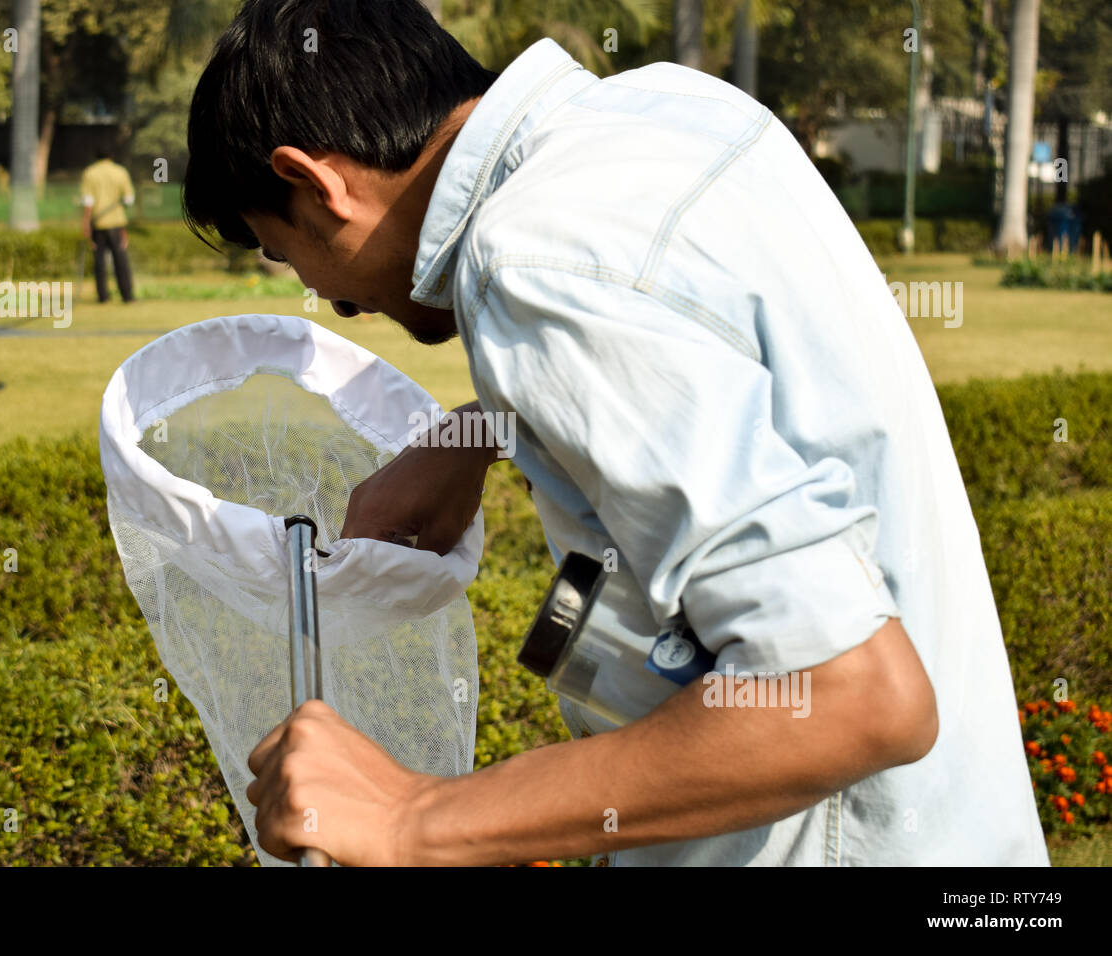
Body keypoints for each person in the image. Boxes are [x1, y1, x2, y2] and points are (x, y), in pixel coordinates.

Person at [181, 0, 1050, 867]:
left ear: (317, 180)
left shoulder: (532, 259)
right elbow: (698, 346)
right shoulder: (674, 112)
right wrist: (485, 427)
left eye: (285, 252)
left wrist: (414, 818)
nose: (332, 297)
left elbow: (850, 694)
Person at [81, 149, 136, 303]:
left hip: (98, 224)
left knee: (99, 261)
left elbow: (87, 202)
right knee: (121, 260)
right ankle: (127, 295)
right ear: (111, 156)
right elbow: (129, 199)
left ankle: (103, 296)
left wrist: (85, 223)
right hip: (117, 223)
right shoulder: (120, 172)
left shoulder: (90, 173)